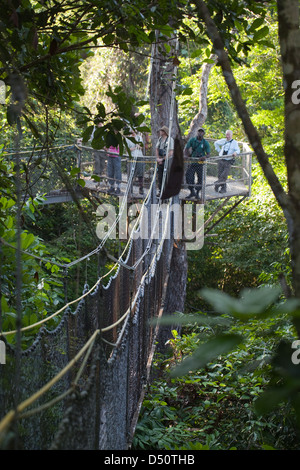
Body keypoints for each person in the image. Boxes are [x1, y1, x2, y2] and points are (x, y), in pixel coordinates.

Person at [184, 128, 210, 199]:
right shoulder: (192, 140)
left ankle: (197, 193)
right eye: (199, 132)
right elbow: (186, 148)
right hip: (193, 162)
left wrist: (204, 157)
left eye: (202, 132)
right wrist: (186, 155)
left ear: (203, 133)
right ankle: (192, 191)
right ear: (197, 133)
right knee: (189, 176)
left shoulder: (205, 142)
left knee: (200, 179)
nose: (200, 133)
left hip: (200, 163)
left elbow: (208, 154)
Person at [155, 126, 174, 196]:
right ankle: (160, 190)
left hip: (167, 160)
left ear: (164, 132)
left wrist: (163, 159)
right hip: (160, 159)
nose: (160, 132)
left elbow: (171, 152)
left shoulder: (170, 140)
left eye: (161, 131)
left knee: (167, 176)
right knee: (160, 176)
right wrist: (158, 158)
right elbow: (156, 148)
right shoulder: (160, 139)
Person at [126, 130, 145, 195]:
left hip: (139, 156)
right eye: (131, 130)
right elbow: (127, 149)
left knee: (140, 173)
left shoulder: (139, 138)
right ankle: (130, 189)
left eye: (134, 130)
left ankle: (141, 188)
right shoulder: (127, 139)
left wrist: (139, 146)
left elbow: (141, 147)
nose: (133, 131)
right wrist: (134, 147)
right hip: (132, 157)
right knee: (131, 173)